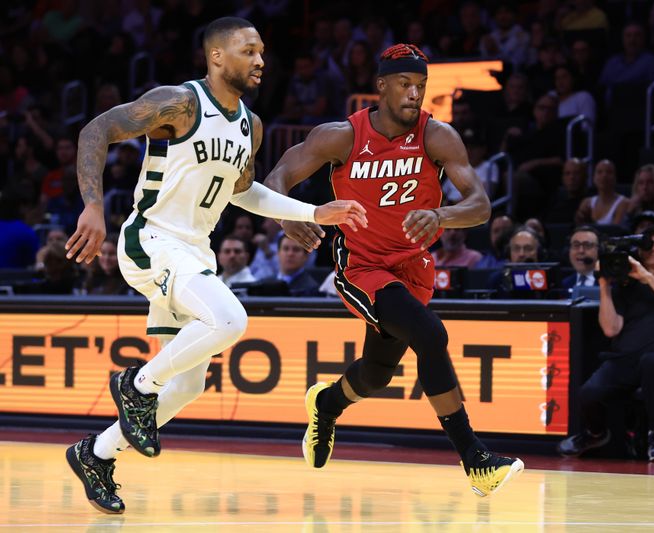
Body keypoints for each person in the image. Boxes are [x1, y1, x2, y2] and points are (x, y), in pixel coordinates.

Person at [63, 17, 368, 514]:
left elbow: (244, 192)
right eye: (249, 50)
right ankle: (135, 383)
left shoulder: (251, 123)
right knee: (230, 319)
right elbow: (96, 130)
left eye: (263, 51)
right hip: (152, 240)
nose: (261, 60)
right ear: (217, 56)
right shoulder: (179, 102)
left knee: (187, 385)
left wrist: (314, 212)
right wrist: (93, 205)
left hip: (194, 254)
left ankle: (95, 454)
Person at [265, 43, 524, 497]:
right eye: (405, 84)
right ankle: (475, 458)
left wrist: (441, 216)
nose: (414, 94)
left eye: (421, 86)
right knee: (430, 334)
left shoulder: (438, 136)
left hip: (413, 267)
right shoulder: (342, 136)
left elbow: (480, 205)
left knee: (377, 374)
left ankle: (325, 405)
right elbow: (277, 179)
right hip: (362, 266)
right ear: (381, 86)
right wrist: (293, 217)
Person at [557, 225, 654, 461]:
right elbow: (611, 329)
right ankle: (595, 433)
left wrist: (646, 276)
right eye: (647, 244)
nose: (653, 248)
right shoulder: (625, 286)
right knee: (588, 392)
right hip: (625, 358)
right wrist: (603, 286)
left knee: (653, 363)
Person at [575, 159, 629, 226]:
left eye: (609, 172)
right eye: (599, 172)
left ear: (615, 177)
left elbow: (615, 231)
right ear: (594, 177)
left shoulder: (623, 203)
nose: (604, 175)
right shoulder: (586, 202)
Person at [561, 226, 600, 292]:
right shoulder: (563, 285)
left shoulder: (610, 285)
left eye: (587, 245)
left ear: (599, 250)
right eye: (576, 245)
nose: (581, 251)